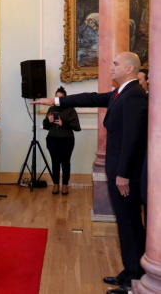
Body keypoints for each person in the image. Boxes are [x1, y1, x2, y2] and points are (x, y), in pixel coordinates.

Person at [32, 52, 147, 294]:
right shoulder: (121, 92)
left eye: (115, 64)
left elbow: (132, 138)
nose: (111, 68)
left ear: (129, 68)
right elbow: (92, 97)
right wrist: (56, 101)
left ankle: (134, 279)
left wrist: (123, 173)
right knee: (125, 224)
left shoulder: (134, 94)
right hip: (118, 169)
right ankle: (129, 271)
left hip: (126, 174)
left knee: (130, 224)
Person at [42, 86, 81, 195]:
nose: (58, 100)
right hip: (52, 139)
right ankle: (55, 184)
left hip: (66, 140)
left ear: (65, 98)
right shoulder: (51, 109)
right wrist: (49, 121)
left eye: (60, 98)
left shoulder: (70, 110)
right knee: (55, 162)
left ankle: (65, 185)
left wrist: (63, 123)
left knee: (65, 162)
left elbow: (77, 127)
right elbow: (45, 126)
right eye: (56, 98)